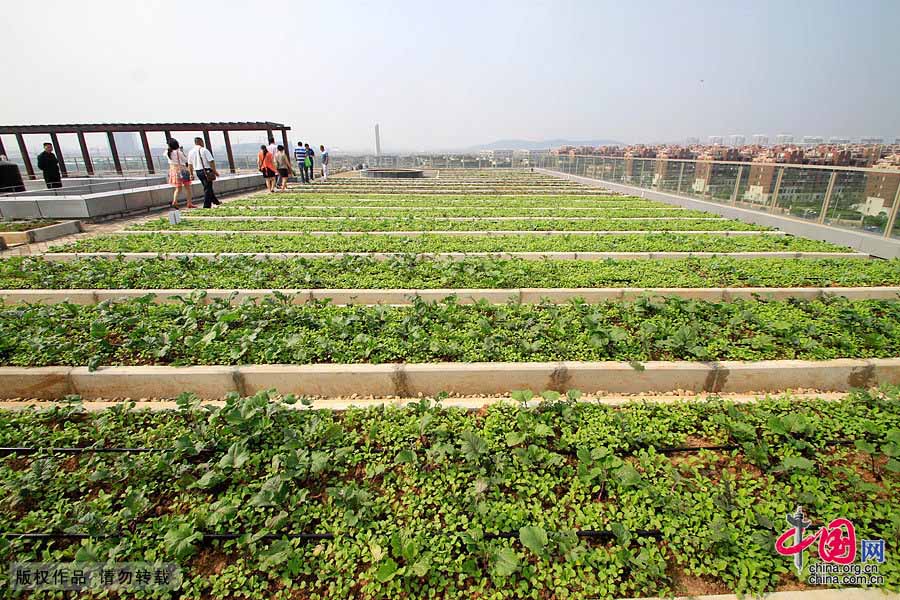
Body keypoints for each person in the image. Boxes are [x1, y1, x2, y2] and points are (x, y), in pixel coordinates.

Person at [187, 137, 220, 208]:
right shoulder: (204, 150)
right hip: (206, 170)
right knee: (207, 188)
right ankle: (206, 205)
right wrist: (214, 171)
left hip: (198, 171)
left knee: (207, 186)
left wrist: (191, 174)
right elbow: (211, 161)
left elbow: (190, 164)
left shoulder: (191, 152)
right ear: (201, 142)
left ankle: (215, 201)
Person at [165, 138, 196, 209]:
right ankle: (189, 203)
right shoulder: (178, 152)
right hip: (182, 170)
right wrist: (182, 151)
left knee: (178, 188)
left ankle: (175, 201)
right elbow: (185, 160)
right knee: (187, 188)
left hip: (173, 171)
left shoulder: (167, 152)